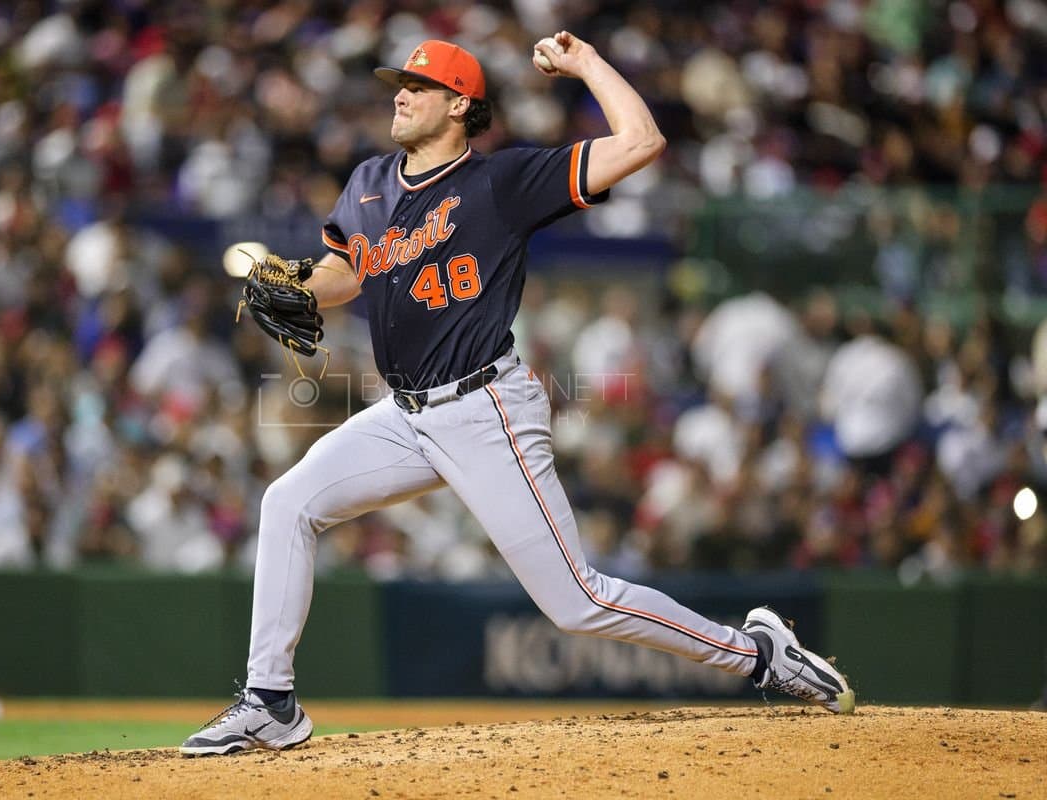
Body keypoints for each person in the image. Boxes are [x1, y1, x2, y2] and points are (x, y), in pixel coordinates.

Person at [181, 33, 854, 756]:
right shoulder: (370, 182)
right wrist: (298, 286)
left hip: (484, 408)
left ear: (460, 104)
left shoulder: (500, 183)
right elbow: (349, 270)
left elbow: (642, 140)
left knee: (579, 602)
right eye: (398, 82)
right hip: (404, 415)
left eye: (417, 84)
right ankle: (269, 701)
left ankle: (759, 653)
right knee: (289, 502)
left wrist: (586, 64)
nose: (399, 94)